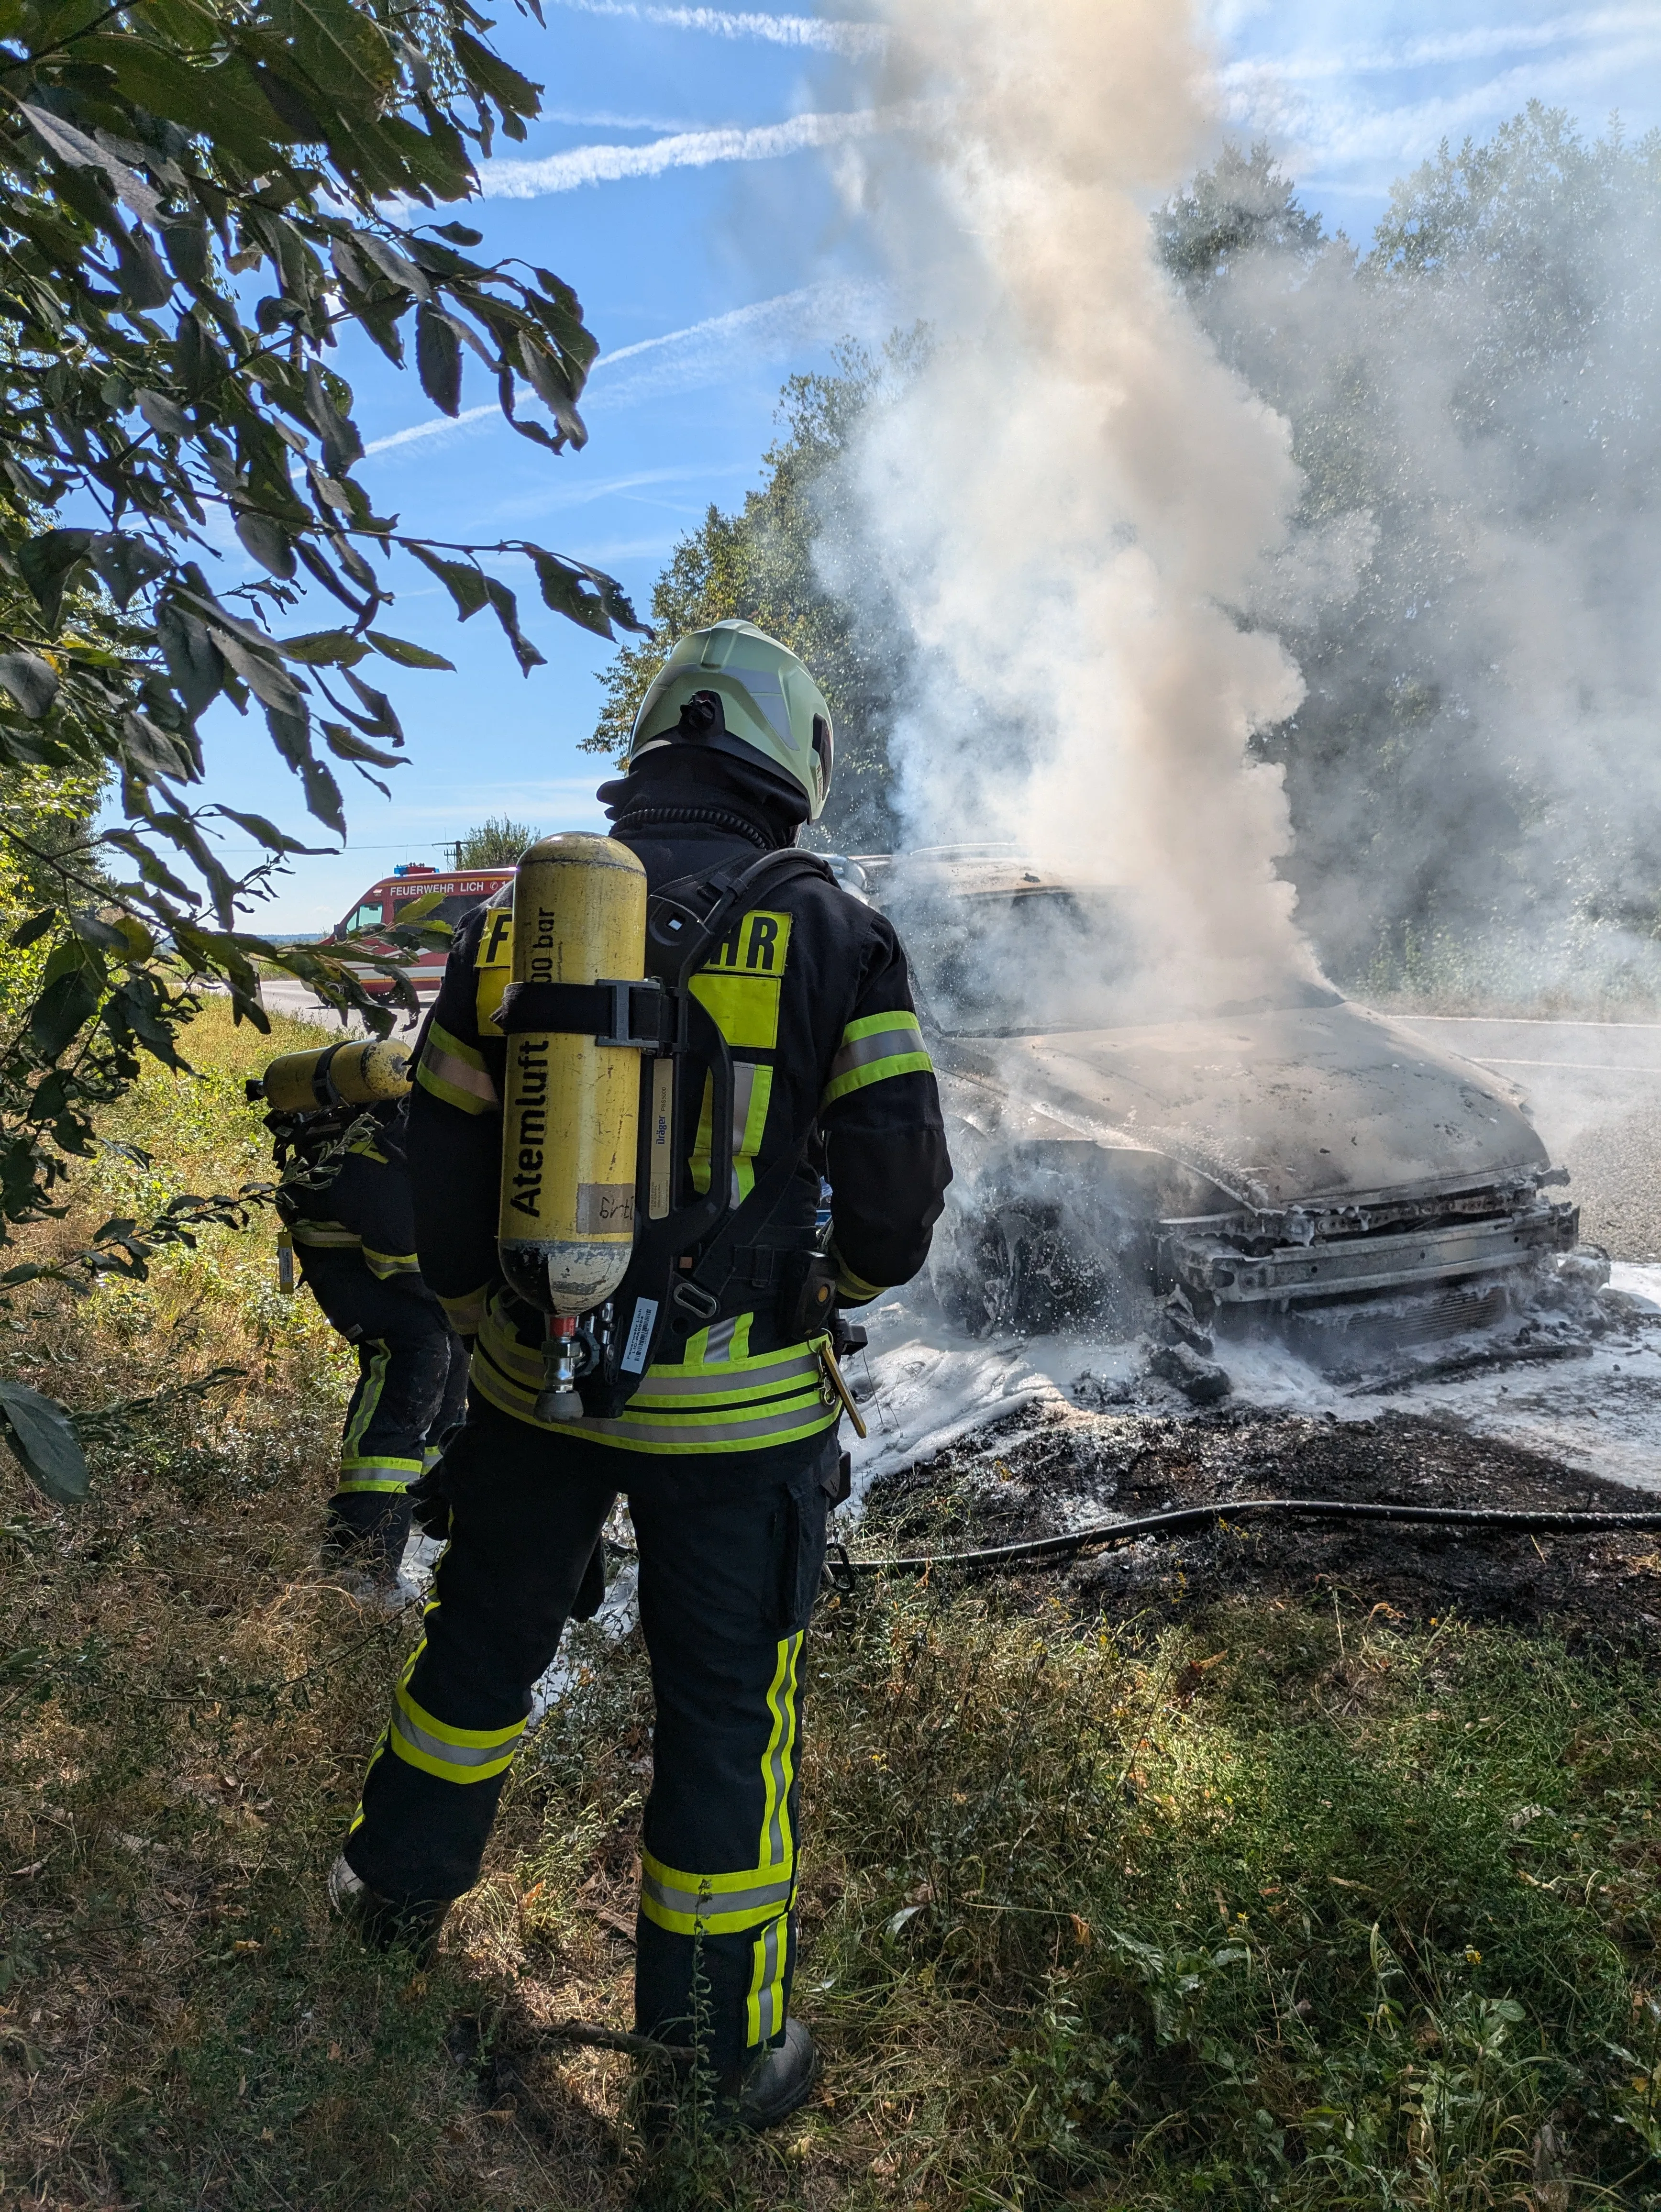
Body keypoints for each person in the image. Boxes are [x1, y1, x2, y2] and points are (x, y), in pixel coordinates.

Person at [330, 620, 952, 2130]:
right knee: (724, 1714)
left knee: (478, 1650)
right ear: (789, 752)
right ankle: (706, 2058)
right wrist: (827, 1297)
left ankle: (384, 1911)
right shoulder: (833, 926)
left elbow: (439, 1165)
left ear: (656, 746)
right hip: (741, 1421)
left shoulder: (529, 923)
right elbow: (893, 1203)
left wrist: (501, 1327)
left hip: (532, 1387)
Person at [269, 1083, 467, 1574]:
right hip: (355, 1269)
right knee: (414, 1357)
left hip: (386, 1259)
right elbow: (399, 1259)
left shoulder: (430, 1150)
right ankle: (359, 1559)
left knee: (450, 1353)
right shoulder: (385, 1167)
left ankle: (427, 1519)